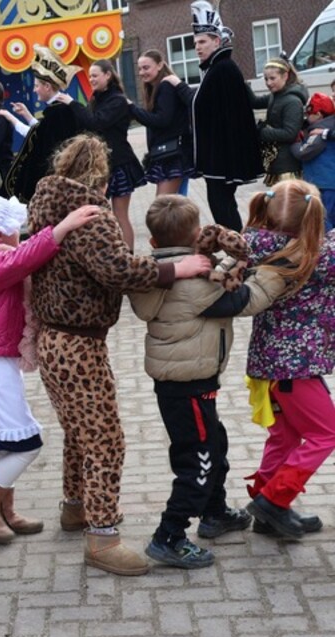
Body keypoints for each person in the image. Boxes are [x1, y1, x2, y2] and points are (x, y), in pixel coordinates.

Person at [27, 134, 210, 575]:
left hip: (54, 339)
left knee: (78, 432)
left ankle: (76, 507)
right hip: (78, 345)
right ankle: (102, 538)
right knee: (105, 441)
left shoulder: (46, 203)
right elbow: (119, 270)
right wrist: (175, 268)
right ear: (101, 177)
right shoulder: (90, 214)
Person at [128, 196, 290, 569]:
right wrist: (274, 272)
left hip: (182, 385)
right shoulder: (196, 283)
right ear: (198, 234)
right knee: (199, 462)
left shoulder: (154, 271)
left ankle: (214, 512)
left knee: (213, 443)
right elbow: (248, 299)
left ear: (153, 241)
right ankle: (169, 536)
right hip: (190, 385)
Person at [0, 196, 95, 544]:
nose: (21, 233)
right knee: (26, 444)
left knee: (9, 442)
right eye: (16, 228)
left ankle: (4, 511)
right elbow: (22, 258)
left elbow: (21, 256)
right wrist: (60, 230)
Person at [242, 180, 335, 539]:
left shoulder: (252, 243)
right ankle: (274, 500)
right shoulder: (318, 255)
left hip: (267, 363)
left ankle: (266, 508)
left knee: (284, 437)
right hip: (296, 368)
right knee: (326, 433)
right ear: (314, 216)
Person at [175, 1, 262, 231]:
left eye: (202, 42)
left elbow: (221, 114)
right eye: (195, 43)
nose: (197, 47)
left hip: (221, 157)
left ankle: (236, 246)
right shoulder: (216, 68)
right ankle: (235, 245)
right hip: (218, 155)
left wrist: (179, 87)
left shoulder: (222, 69)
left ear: (217, 41)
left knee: (222, 206)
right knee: (221, 205)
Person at [3, 46, 88, 203]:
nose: (34, 90)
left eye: (37, 86)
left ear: (47, 87)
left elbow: (46, 144)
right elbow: (42, 133)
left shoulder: (58, 112)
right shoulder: (59, 109)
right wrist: (27, 115)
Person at [79, 59, 145, 250]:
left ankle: (128, 255)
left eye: (95, 75)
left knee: (120, 215)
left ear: (108, 75)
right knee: (100, 214)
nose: (91, 79)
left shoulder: (117, 100)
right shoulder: (96, 98)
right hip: (101, 165)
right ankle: (111, 253)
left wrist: (73, 104)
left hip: (119, 163)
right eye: (90, 76)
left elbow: (97, 122)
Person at [129, 50, 193, 197]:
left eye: (146, 68)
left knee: (163, 204)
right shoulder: (157, 87)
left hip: (172, 155)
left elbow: (162, 120)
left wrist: (132, 109)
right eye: (140, 69)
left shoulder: (165, 86)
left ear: (159, 65)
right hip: (175, 152)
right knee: (177, 202)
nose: (142, 72)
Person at [249, 57, 308, 186]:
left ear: (285, 76)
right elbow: (255, 102)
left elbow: (289, 133)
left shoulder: (292, 102)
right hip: (277, 161)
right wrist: (242, 85)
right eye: (266, 79)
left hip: (288, 165)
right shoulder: (276, 96)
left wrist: (261, 132)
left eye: (272, 78)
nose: (268, 83)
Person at [292, 93, 335, 231]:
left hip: (323, 183)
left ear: (318, 114)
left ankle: (327, 243)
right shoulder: (330, 127)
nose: (306, 117)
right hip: (330, 182)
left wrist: (295, 143)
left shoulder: (318, 133)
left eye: (309, 113)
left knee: (324, 219)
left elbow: (304, 152)